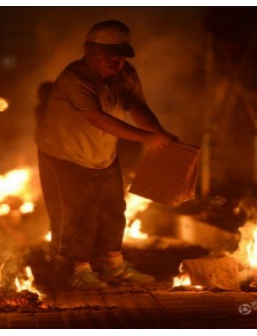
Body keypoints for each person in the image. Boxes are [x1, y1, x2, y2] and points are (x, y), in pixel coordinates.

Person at [35, 20, 179, 290]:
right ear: (89, 49)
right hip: (63, 155)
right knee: (75, 213)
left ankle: (114, 265)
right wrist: (146, 138)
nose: (117, 61)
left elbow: (138, 108)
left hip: (102, 153)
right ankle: (76, 270)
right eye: (109, 55)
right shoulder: (76, 77)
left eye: (121, 55)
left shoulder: (126, 74)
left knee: (114, 208)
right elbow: (97, 119)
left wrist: (159, 134)